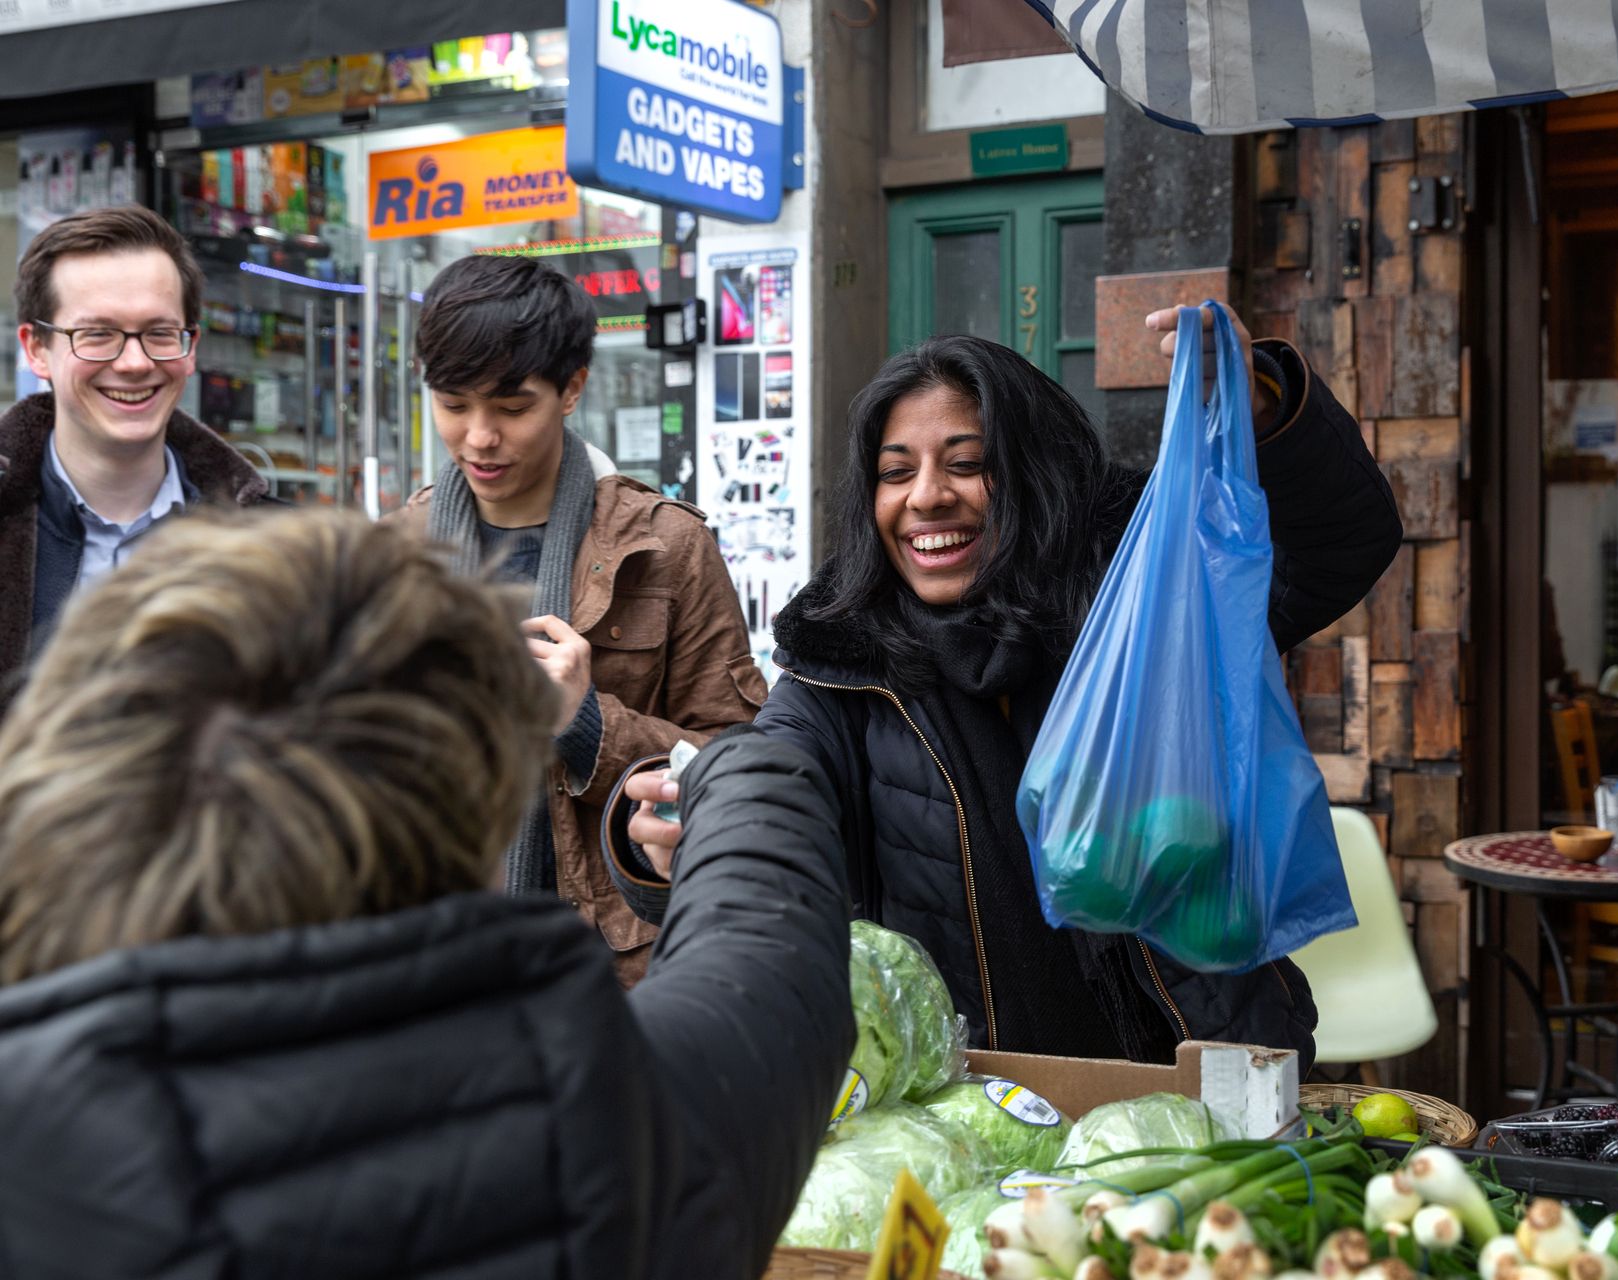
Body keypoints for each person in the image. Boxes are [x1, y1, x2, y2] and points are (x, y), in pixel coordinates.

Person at [0, 509, 853, 1280]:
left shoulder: (35, 1161)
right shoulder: (635, 1122)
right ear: (477, 813)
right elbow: (767, 942)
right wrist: (731, 761)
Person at [610, 306, 1402, 1069]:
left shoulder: (1150, 606)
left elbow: (1341, 544)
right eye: (895, 473)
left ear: (1033, 474)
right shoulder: (839, 663)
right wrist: (680, 832)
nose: (926, 497)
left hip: (1203, 1070)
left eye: (966, 463)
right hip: (981, 1106)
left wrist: (1260, 409)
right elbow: (775, 775)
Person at [392, 254, 765, 985]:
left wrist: (588, 725)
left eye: (510, 405)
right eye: (453, 403)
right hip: (433, 963)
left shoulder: (666, 546)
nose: (478, 437)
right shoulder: (395, 549)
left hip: (613, 970)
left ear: (571, 389)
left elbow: (745, 768)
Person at [1, 205, 270, 689]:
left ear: (190, 348)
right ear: (37, 349)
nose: (133, 362)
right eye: (97, 334)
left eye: (159, 333)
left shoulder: (276, 549)